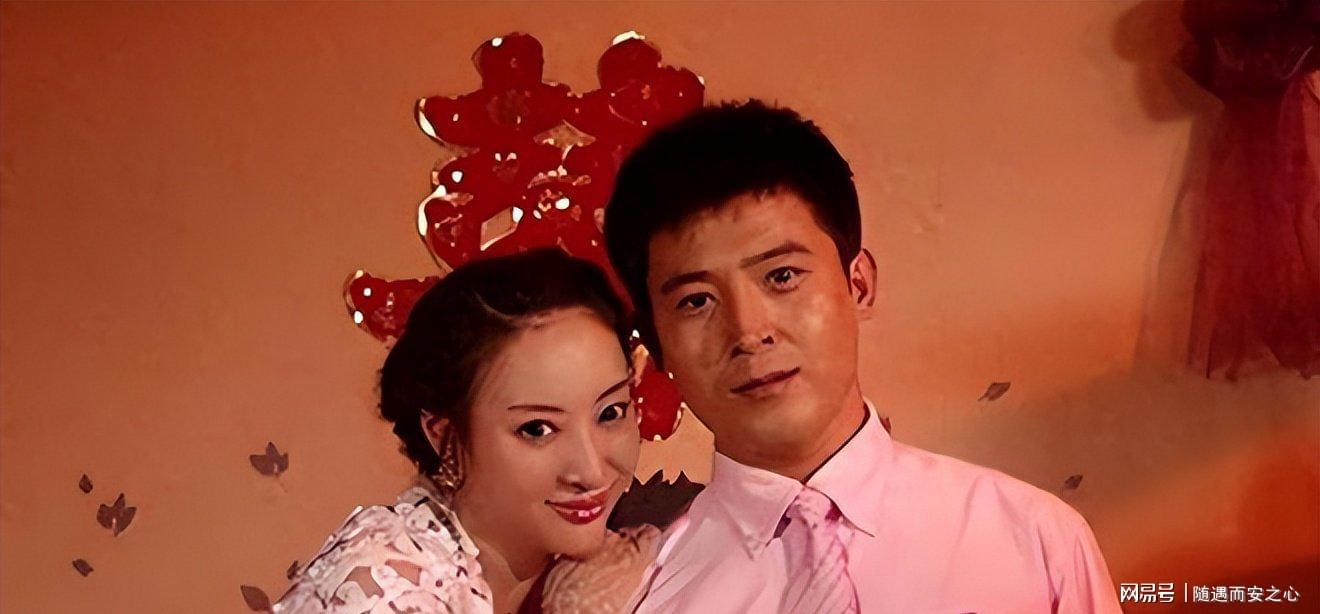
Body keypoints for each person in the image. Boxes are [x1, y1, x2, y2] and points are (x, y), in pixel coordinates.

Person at [601, 100, 1124, 612]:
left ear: (859, 285)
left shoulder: (1034, 541)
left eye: (782, 276)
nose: (749, 332)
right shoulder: (642, 595)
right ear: (657, 342)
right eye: (696, 301)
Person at [275, 248, 657, 613]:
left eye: (611, 412)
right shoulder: (386, 589)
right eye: (537, 429)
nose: (591, 472)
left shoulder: (613, 561)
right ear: (442, 434)